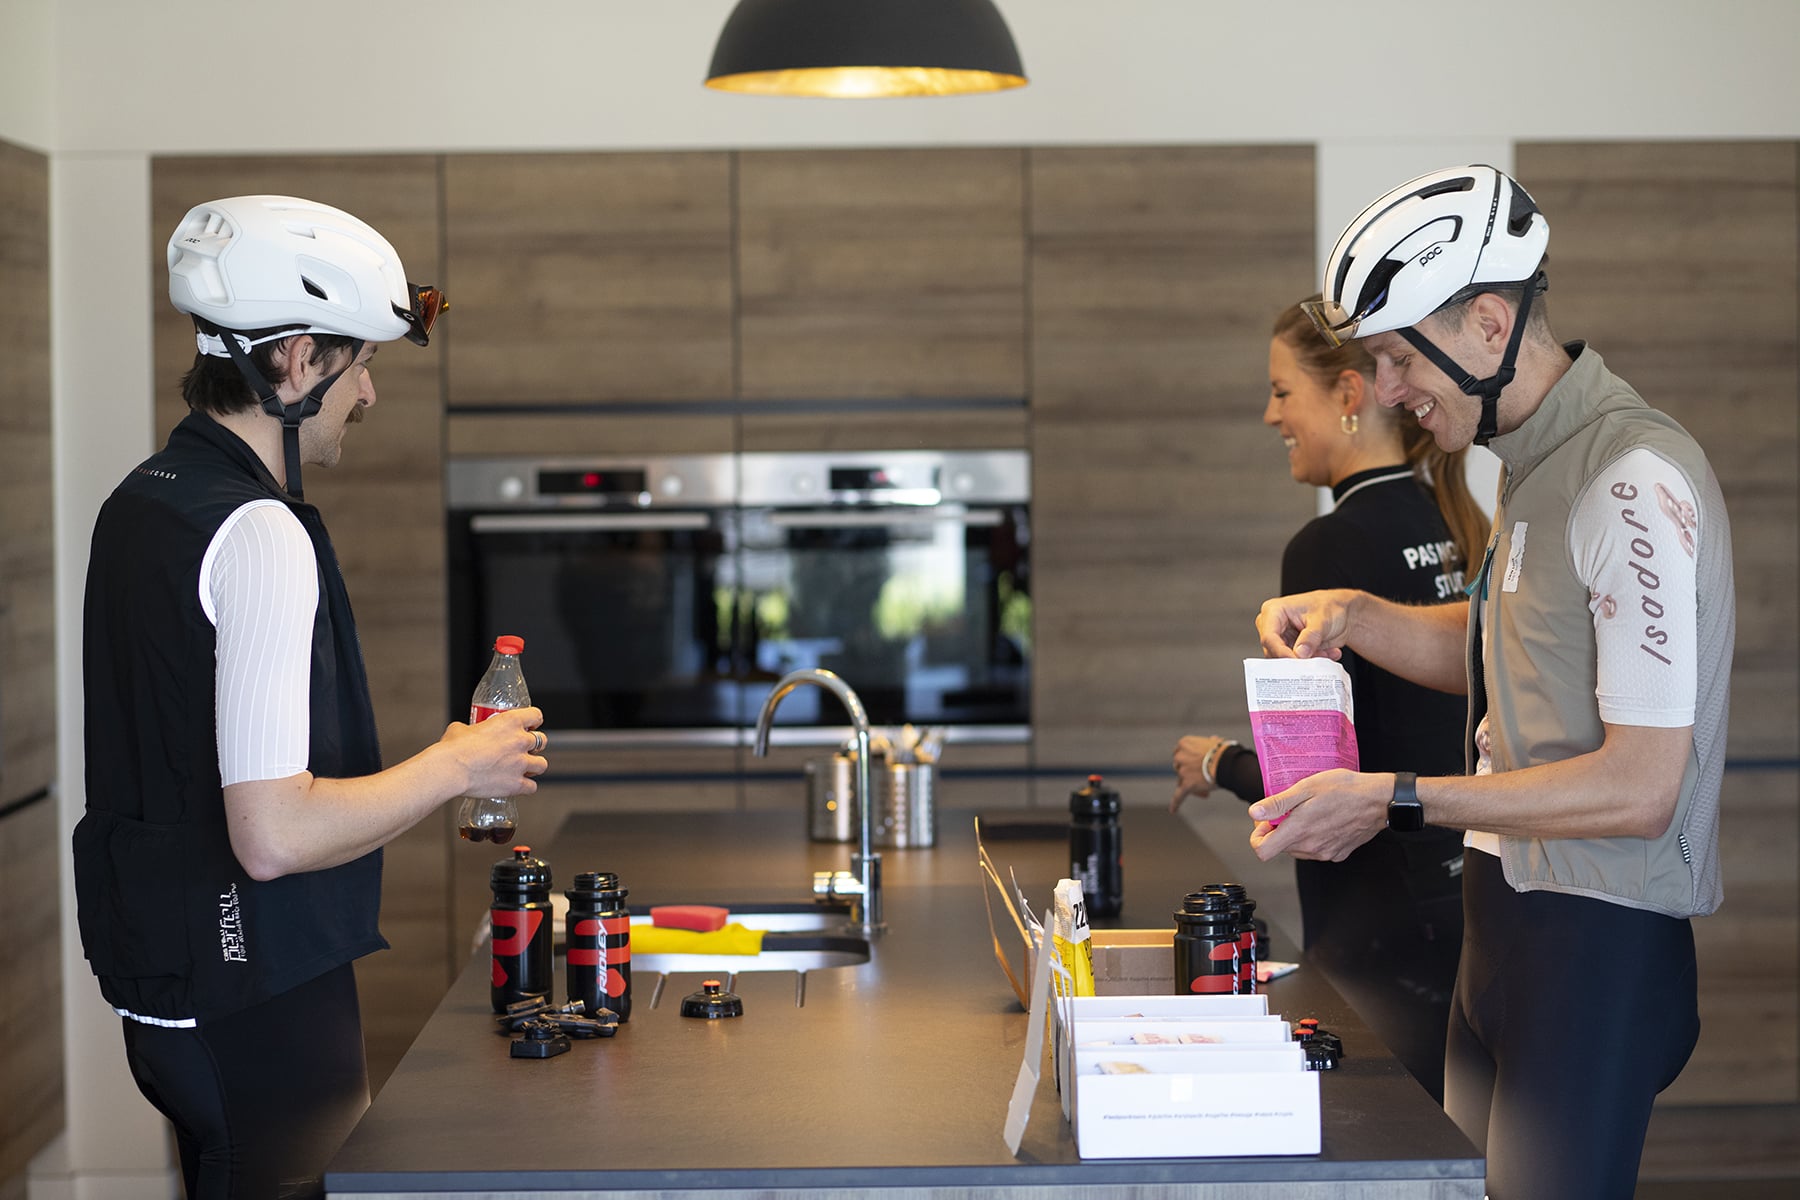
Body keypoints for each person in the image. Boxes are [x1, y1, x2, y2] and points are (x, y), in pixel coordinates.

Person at [1249, 165, 1734, 1200]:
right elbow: (1503, 651)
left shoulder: (1629, 478)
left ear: (1486, 324)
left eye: (1396, 356)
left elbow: (1642, 787)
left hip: (1592, 940)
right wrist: (1357, 615)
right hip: (1503, 923)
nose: (1386, 391)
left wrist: (1394, 797)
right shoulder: (1531, 466)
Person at [73, 194, 549, 1200]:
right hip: (254, 988)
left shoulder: (143, 498)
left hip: (167, 985)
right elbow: (274, 835)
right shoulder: (259, 532)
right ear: (295, 360)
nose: (367, 394)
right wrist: (459, 762)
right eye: (361, 363)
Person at [1170, 298, 1485, 1103]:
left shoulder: (1326, 548)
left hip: (1378, 914)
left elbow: (1310, 783)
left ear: (1349, 394)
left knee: (1380, 1137)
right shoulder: (1457, 521)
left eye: (1283, 391)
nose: (1270, 413)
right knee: (1454, 1139)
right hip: (1466, 893)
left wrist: (1218, 762)